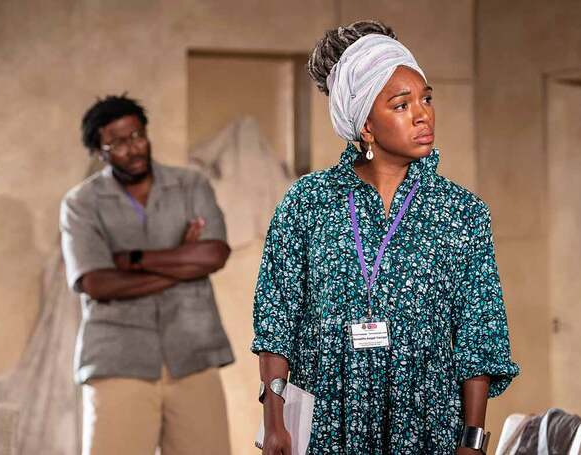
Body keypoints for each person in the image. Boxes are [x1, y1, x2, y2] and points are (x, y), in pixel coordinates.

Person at [252, 21, 519, 454]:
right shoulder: (308, 202)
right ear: (366, 126)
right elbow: (276, 320)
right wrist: (274, 421)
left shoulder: (462, 211)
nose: (423, 114)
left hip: (428, 422)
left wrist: (472, 440)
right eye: (401, 104)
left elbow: (480, 335)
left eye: (427, 99)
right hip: (329, 419)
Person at [60, 94, 234, 455]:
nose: (134, 148)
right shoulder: (81, 204)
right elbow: (96, 282)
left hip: (194, 354)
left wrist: (134, 259)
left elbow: (215, 253)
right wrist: (184, 264)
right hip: (118, 359)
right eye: (119, 142)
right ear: (100, 151)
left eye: (137, 135)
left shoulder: (191, 185)